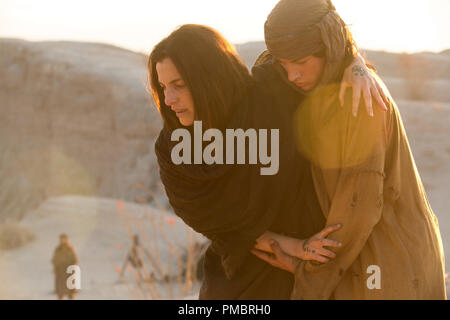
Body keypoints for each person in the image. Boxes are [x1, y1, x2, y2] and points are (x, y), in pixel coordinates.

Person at [150, 24, 386, 299]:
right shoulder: (173, 151)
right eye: (163, 86)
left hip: (313, 274)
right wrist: (295, 246)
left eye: (178, 85)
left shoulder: (272, 96)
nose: (168, 99)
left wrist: (356, 66)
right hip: (239, 277)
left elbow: (325, 44)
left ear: (209, 77)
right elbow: (220, 225)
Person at [250, 0, 447, 300]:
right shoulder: (333, 86)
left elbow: (358, 210)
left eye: (300, 63)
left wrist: (306, 277)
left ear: (328, 49)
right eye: (284, 64)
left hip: (385, 267)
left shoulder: (358, 102)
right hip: (369, 262)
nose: (292, 75)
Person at [51, 233, 79, 300]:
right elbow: (54, 260)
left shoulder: (70, 249)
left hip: (69, 272)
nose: (62, 240)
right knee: (60, 292)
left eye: (64, 239)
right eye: (61, 239)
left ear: (67, 239)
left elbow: (75, 259)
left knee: (70, 291)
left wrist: (73, 268)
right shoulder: (57, 249)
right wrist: (55, 268)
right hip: (60, 272)